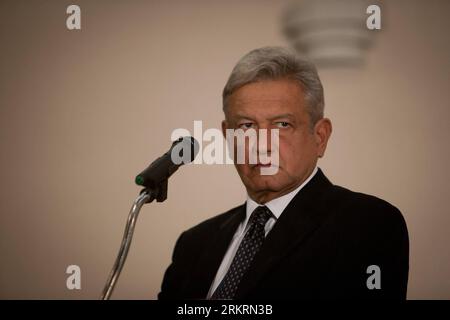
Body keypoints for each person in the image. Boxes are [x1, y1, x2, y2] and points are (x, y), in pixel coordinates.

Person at [158, 46, 409, 300]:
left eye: (282, 125)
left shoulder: (367, 225)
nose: (262, 144)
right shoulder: (193, 244)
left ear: (320, 137)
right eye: (246, 126)